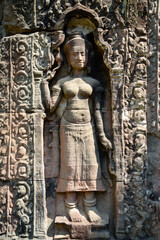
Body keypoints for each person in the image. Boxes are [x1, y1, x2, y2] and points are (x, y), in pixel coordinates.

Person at [42, 32, 112, 223]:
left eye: (82, 54)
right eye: (75, 54)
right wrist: (44, 82)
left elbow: (98, 112)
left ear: (88, 56)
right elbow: (51, 106)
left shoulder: (94, 83)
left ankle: (90, 206)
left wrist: (102, 135)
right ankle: (70, 207)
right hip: (68, 129)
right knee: (71, 166)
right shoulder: (63, 83)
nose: (79, 58)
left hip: (87, 128)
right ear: (68, 57)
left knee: (91, 166)